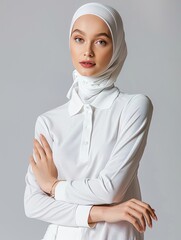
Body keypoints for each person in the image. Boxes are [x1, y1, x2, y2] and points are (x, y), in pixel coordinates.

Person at [24, 2, 157, 240]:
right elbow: (33, 204)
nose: (88, 52)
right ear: (70, 43)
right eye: (79, 39)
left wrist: (53, 187)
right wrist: (104, 213)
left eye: (101, 41)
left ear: (116, 46)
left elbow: (111, 189)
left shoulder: (133, 106)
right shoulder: (49, 121)